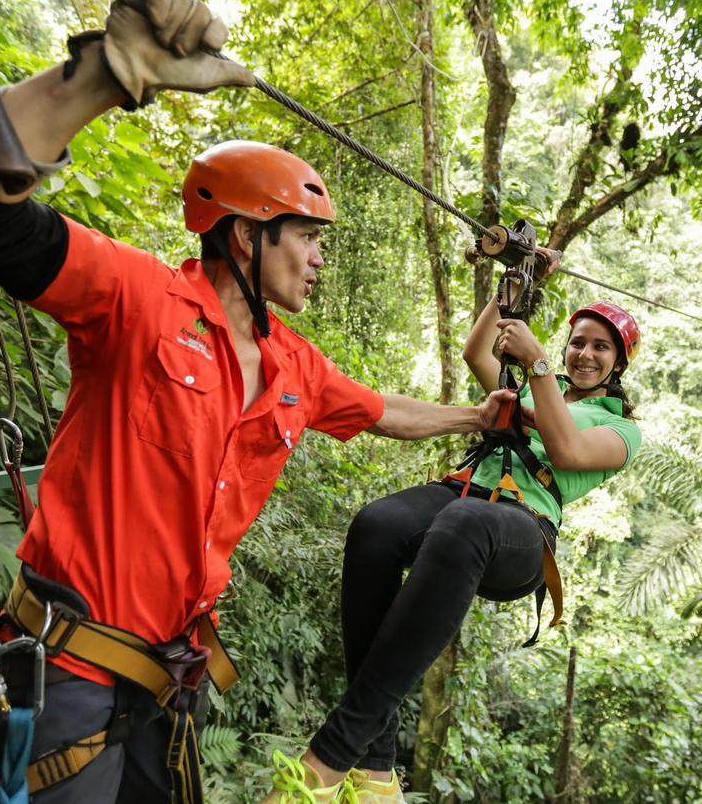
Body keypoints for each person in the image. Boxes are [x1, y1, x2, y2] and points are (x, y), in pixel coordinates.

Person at [0, 0, 517, 803]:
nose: (320, 258)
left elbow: (383, 412)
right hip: (70, 674)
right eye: (306, 236)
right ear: (246, 234)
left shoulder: (294, 365)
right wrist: (105, 77)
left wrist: (473, 413)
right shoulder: (139, 299)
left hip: (162, 685)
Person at [262, 293, 644, 803]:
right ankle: (375, 772)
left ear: (618, 363)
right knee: (376, 525)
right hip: (461, 496)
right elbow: (477, 353)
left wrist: (537, 362)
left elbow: (567, 449)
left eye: (601, 347)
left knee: (468, 520)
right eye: (578, 342)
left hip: (520, 530)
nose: (586, 354)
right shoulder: (536, 394)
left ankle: (329, 757)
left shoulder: (622, 429)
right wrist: (507, 292)